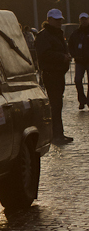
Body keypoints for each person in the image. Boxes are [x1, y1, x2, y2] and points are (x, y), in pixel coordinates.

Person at [35, 8, 73, 144]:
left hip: (58, 74)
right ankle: (55, 135)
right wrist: (61, 57)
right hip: (51, 74)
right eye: (56, 20)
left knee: (57, 105)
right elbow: (44, 54)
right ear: (49, 20)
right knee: (55, 105)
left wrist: (65, 56)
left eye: (60, 20)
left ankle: (59, 133)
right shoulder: (44, 36)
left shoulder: (56, 34)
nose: (59, 22)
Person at [68, 12, 89, 109]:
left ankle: (87, 101)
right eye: (82, 19)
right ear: (80, 21)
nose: (84, 21)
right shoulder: (75, 33)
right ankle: (82, 99)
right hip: (79, 61)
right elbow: (70, 45)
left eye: (85, 19)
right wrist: (74, 55)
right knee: (77, 80)